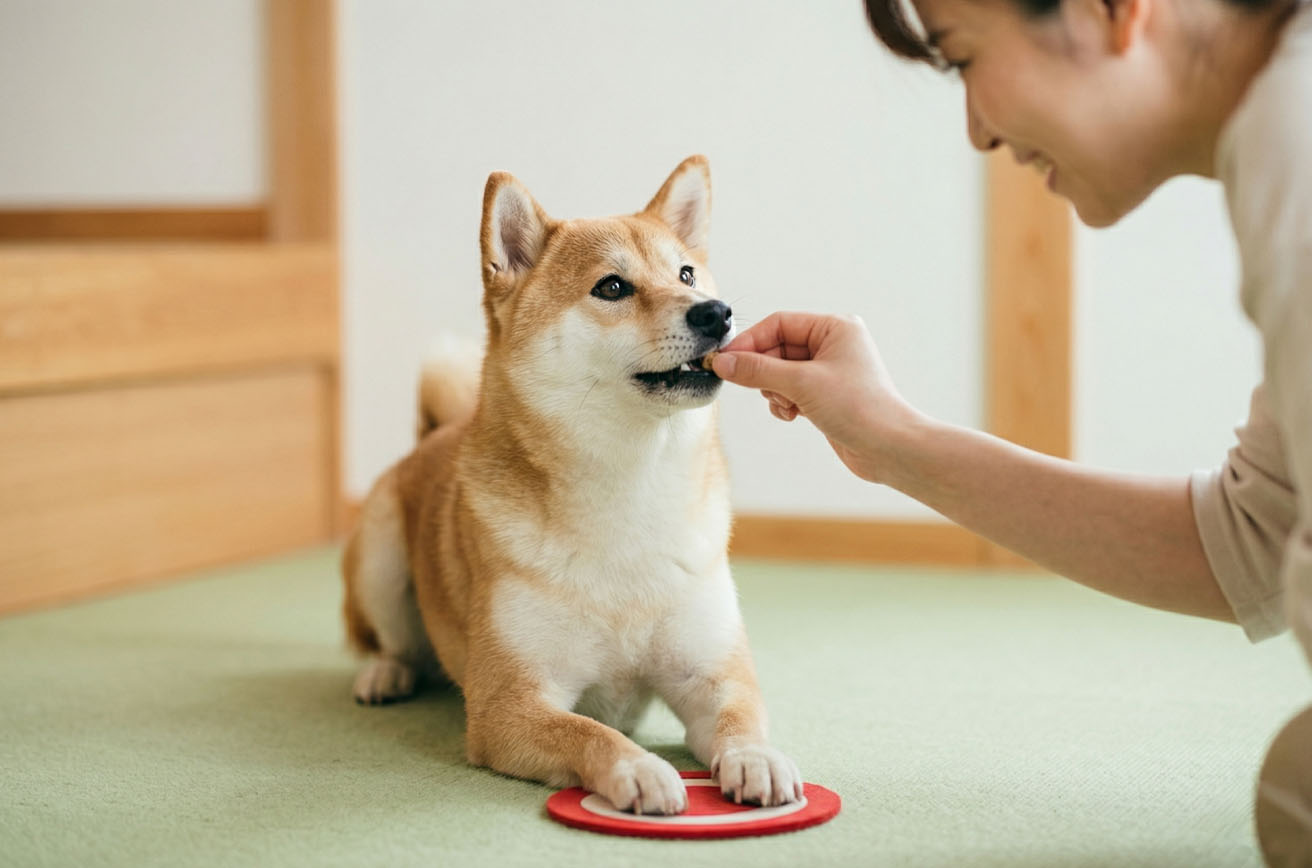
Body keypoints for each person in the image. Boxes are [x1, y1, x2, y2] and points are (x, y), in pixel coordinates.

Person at [708, 0, 1312, 862]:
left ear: (1111, 10)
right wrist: (891, 441)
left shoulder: (1294, 139)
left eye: (962, 59)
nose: (977, 131)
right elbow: (1258, 536)